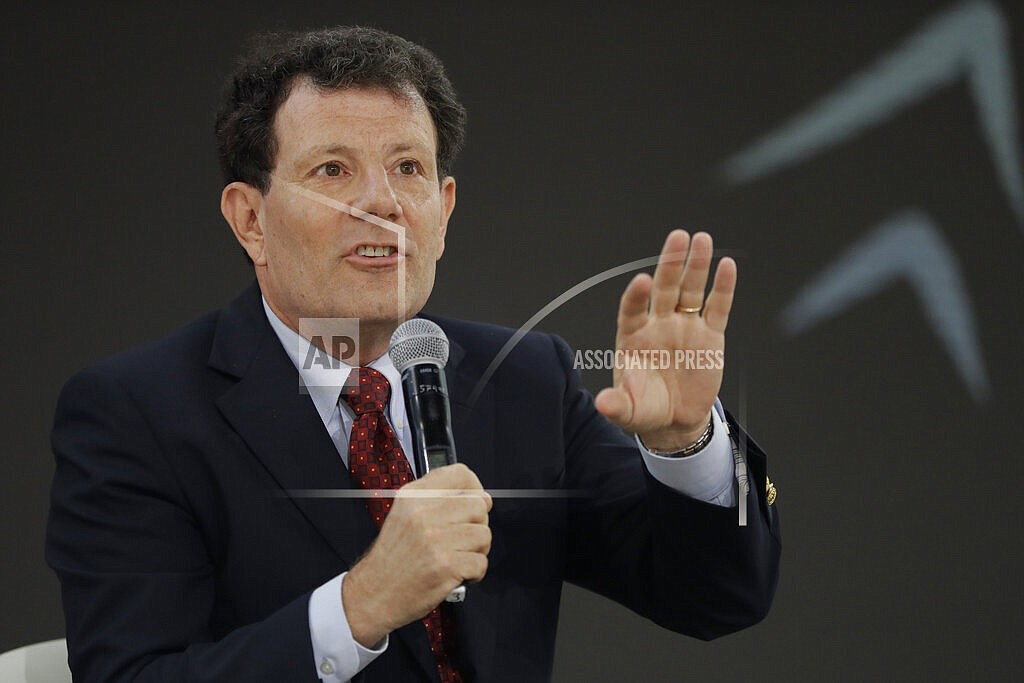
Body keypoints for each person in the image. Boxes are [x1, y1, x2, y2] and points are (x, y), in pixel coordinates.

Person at [46, 26, 780, 683]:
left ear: (444, 209)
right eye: (333, 170)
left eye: (408, 168)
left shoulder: (523, 379)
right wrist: (358, 608)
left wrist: (687, 444)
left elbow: (717, 597)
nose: (383, 202)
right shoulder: (136, 414)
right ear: (250, 221)